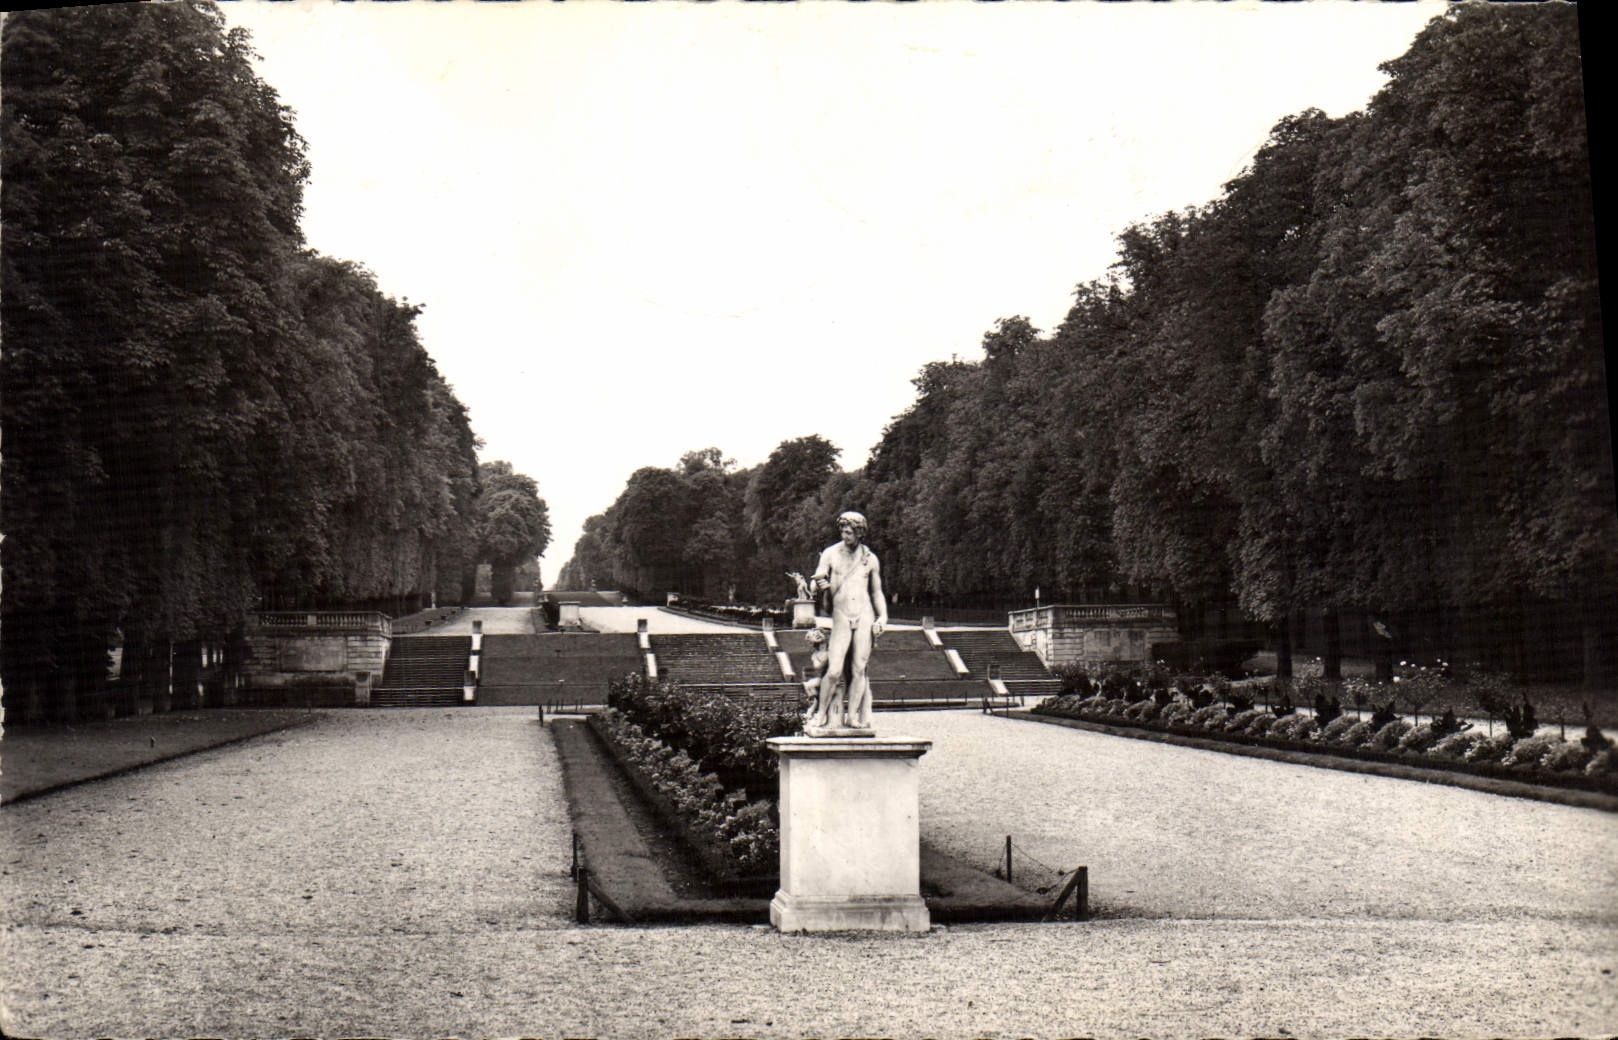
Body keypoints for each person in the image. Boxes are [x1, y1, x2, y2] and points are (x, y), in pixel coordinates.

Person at [807, 510, 887, 730]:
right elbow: (817, 578)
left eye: (849, 532)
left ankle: (852, 716)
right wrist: (819, 585)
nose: (844, 535)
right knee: (834, 670)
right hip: (841, 615)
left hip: (864, 614)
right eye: (842, 531)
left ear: (860, 533)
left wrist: (883, 616)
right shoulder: (830, 553)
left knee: (859, 668)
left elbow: (876, 592)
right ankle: (821, 714)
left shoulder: (870, 558)